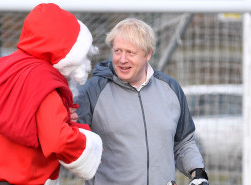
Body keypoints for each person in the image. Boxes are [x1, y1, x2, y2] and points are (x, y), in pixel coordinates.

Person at [0, 3, 102, 185]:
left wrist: (61, 115)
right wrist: (91, 146)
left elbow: (20, 122)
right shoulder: (43, 82)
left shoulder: (1, 74)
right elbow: (58, 140)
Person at [74, 18, 209, 185]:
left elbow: (183, 142)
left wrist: (198, 171)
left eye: (130, 52)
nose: (122, 59)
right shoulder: (92, 91)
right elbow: (70, 137)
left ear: (148, 54)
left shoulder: (171, 89)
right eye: (117, 51)